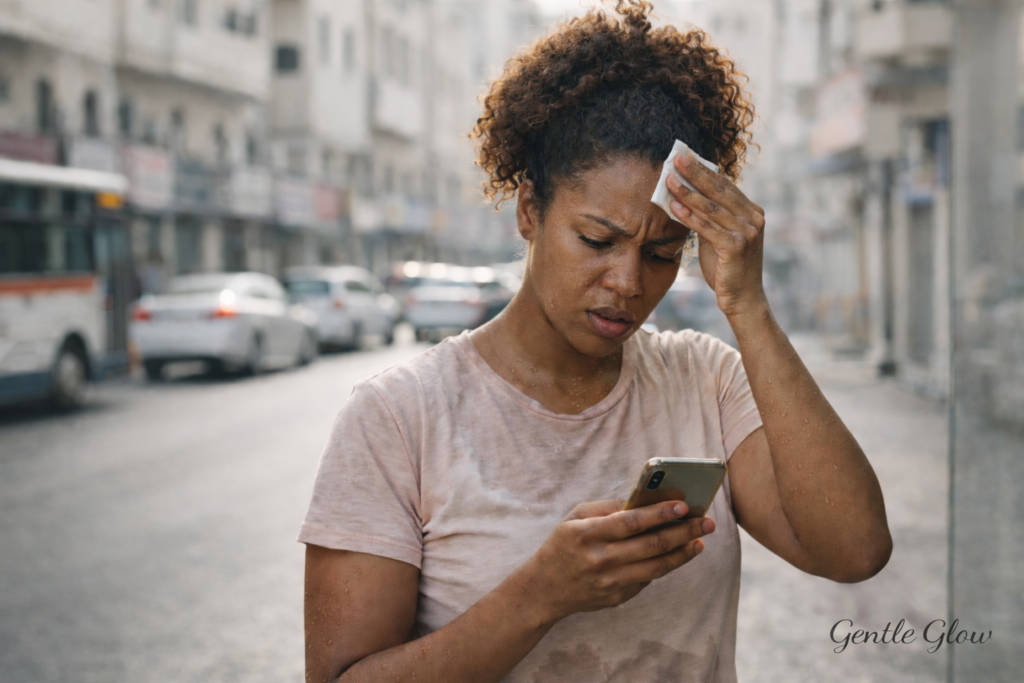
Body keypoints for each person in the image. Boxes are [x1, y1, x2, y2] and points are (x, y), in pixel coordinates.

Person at [299, 2, 892, 682]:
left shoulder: (706, 381)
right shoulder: (398, 418)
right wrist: (540, 595)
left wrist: (748, 305)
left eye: (664, 252)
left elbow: (855, 549)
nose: (628, 282)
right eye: (596, 240)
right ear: (529, 210)